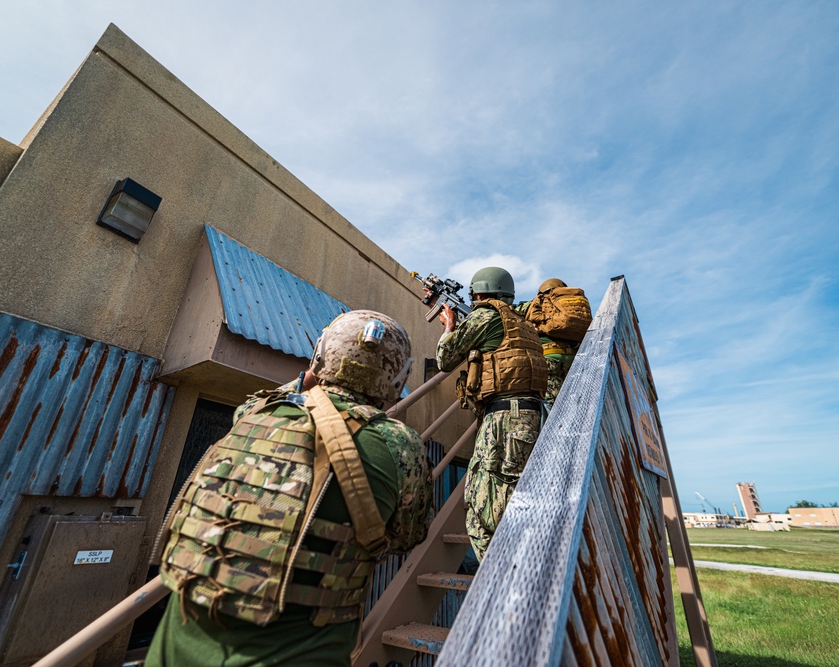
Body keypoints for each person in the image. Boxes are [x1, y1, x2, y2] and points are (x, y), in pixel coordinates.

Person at [147, 310, 432, 667]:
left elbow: (293, 390)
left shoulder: (255, 411)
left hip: (172, 650)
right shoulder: (401, 446)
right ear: (399, 378)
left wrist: (315, 374)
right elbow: (408, 536)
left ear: (319, 356)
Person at [434, 266, 547, 561]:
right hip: (531, 416)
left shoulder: (485, 316)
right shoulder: (522, 324)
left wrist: (448, 326)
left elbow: (445, 359)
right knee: (511, 499)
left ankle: (497, 579)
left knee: (482, 509)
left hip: (504, 420)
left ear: (479, 292)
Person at [516, 278, 592, 404]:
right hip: (574, 359)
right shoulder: (572, 304)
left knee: (551, 404)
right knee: (572, 400)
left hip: (550, 357)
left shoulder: (537, 302)